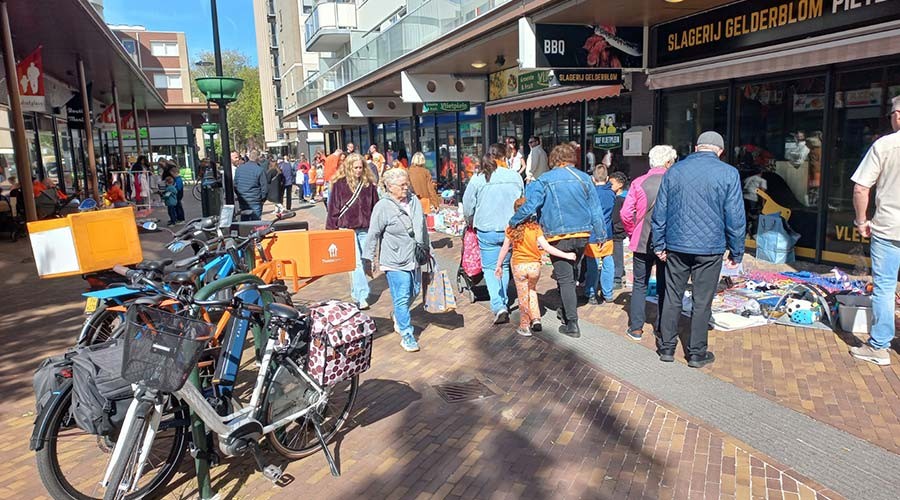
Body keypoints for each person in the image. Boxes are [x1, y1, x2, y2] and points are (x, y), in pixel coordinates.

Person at [651, 131, 745, 368]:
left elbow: (660, 211)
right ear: (720, 151)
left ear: (695, 147)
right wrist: (737, 250)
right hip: (710, 248)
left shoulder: (674, 170)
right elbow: (735, 216)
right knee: (702, 301)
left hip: (677, 245)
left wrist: (659, 244)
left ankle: (667, 348)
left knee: (673, 296)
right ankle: (696, 353)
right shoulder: (728, 173)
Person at [510, 143, 605, 337]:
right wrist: (601, 234)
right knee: (572, 273)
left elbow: (531, 204)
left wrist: (514, 221)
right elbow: (596, 209)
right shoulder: (584, 178)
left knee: (566, 278)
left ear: (554, 159)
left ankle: (572, 323)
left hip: (558, 235)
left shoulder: (545, 179)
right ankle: (565, 310)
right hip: (582, 234)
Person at [848, 96, 900, 366]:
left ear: (898, 116)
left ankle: (879, 347)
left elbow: (860, 187)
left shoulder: (886, 145)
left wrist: (860, 220)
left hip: (888, 228)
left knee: (885, 288)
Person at [363, 168, 429, 353]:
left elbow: (421, 227)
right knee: (401, 296)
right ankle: (407, 335)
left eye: (407, 183)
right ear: (390, 187)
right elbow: (373, 233)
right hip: (394, 259)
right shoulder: (383, 207)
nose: (406, 187)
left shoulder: (414, 200)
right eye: (402, 185)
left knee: (414, 290)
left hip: (414, 257)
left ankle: (398, 316)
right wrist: (368, 259)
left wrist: (427, 248)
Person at [496, 197, 577, 336]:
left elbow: (504, 249)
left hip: (519, 265)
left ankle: (524, 325)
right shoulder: (535, 228)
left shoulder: (511, 229)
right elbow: (547, 247)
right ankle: (536, 319)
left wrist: (499, 265)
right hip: (535, 266)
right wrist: (566, 255)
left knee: (523, 297)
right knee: (532, 291)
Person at [463, 145, 525, 324]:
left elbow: (468, 204)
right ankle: (503, 300)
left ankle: (499, 305)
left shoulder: (478, 178)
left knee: (490, 268)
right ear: (504, 157)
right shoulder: (515, 177)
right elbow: (523, 201)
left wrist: (470, 220)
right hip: (510, 228)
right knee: (504, 265)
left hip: (486, 228)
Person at [621, 145, 677, 342]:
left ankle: (636, 327)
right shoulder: (676, 182)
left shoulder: (638, 182)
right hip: (669, 242)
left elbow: (626, 213)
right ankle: (662, 328)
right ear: (669, 162)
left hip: (642, 239)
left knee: (639, 284)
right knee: (665, 285)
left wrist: (632, 231)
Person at [327, 153, 379, 310]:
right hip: (347, 227)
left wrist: (378, 226)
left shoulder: (368, 185)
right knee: (355, 263)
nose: (358, 170)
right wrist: (331, 229)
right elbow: (333, 208)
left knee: (364, 260)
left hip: (365, 227)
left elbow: (375, 206)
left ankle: (357, 291)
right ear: (349, 167)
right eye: (355, 167)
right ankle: (361, 296)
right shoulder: (339, 184)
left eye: (361, 167)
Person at [583, 165, 616, 305]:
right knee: (608, 262)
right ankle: (608, 293)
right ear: (607, 178)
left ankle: (591, 292)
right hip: (607, 232)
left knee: (592, 265)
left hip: (592, 235)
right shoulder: (611, 194)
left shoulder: (589, 194)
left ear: (592, 178)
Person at [233, 150, 268, 220]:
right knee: (256, 225)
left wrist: (240, 195)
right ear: (258, 158)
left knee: (244, 224)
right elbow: (265, 188)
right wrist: (262, 199)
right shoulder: (260, 170)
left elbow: (235, 185)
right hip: (255, 200)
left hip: (243, 200)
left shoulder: (239, 169)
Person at [609, 171, 628, 289]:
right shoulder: (620, 197)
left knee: (617, 253)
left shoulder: (620, 199)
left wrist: (617, 227)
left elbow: (618, 216)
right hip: (618, 229)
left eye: (612, 184)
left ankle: (617, 277)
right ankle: (620, 272)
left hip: (617, 231)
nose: (609, 186)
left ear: (620, 184)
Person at [742, 166, 768, 235]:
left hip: (744, 198)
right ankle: (753, 233)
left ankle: (745, 231)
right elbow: (763, 193)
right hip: (753, 199)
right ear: (761, 173)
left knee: (745, 215)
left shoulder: (747, 179)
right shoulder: (762, 180)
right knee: (755, 216)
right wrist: (763, 204)